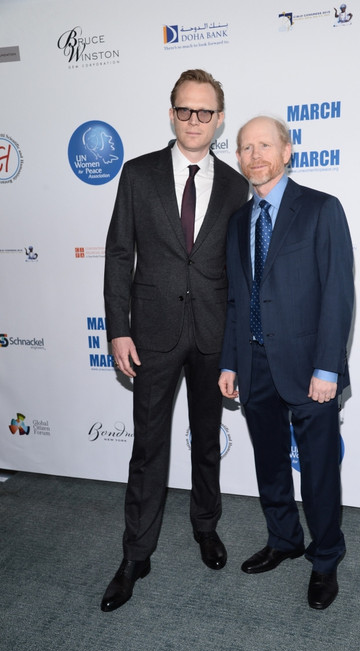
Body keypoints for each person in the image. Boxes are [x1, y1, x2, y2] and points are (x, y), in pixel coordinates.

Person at [101, 69, 249, 612]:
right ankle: (136, 554)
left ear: (219, 119)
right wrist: (118, 326)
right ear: (171, 114)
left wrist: (237, 344)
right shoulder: (137, 175)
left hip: (213, 336)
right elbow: (120, 254)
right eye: (185, 110)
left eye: (204, 112)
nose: (194, 120)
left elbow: (241, 273)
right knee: (148, 449)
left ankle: (205, 527)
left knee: (207, 441)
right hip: (153, 335)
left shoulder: (236, 185)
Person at [218, 116, 354, 610]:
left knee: (318, 470)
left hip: (308, 368)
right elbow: (237, 299)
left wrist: (328, 368)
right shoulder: (239, 221)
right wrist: (230, 362)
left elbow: (338, 294)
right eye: (245, 147)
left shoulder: (320, 209)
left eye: (264, 145)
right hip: (253, 365)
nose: (254, 155)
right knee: (269, 462)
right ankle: (284, 539)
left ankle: (325, 559)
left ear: (287, 150)